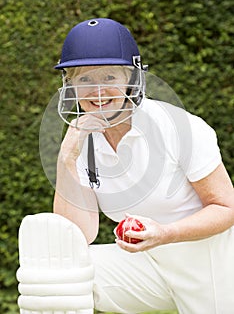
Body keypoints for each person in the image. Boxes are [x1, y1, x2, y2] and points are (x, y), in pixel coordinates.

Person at [17, 18, 234, 314]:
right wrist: (67, 156)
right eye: (85, 80)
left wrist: (165, 233)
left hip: (211, 264)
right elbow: (78, 233)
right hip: (146, 265)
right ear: (70, 86)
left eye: (109, 78)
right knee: (60, 272)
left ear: (131, 80)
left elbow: (226, 208)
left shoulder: (179, 128)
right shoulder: (84, 141)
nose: (97, 91)